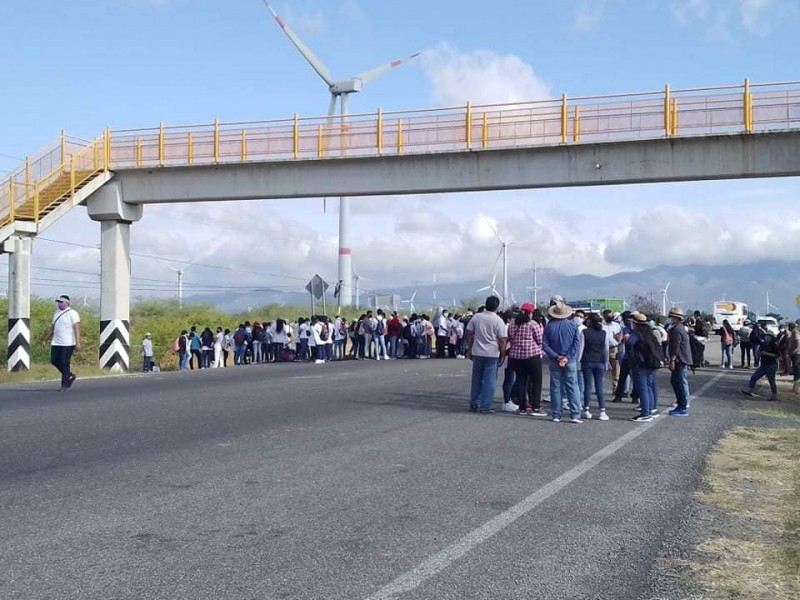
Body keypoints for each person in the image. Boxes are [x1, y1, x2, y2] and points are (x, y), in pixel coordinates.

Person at [465, 296, 508, 414]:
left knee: (476, 379)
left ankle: (474, 402)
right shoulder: (498, 320)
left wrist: (470, 348)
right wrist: (503, 353)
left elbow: (469, 332)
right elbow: (503, 339)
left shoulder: (477, 317)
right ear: (496, 306)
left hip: (478, 351)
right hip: (492, 353)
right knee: (489, 380)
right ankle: (486, 405)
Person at [543, 301, 583, 423]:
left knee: (556, 387)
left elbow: (545, 345)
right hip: (570, 360)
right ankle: (575, 414)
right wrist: (567, 356)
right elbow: (576, 343)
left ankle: (556, 414)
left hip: (554, 360)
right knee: (572, 386)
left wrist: (556, 356)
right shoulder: (573, 325)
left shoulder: (549, 326)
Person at [507, 303, 546, 416]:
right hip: (532, 355)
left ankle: (522, 407)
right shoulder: (532, 324)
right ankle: (536, 407)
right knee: (536, 382)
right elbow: (539, 340)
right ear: (530, 313)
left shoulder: (512, 324)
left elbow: (510, 337)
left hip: (516, 356)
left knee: (521, 381)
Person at [44, 294, 81, 391]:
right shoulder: (56, 313)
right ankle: (69, 375)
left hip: (68, 343)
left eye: (61, 302)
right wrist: (46, 339)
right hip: (56, 342)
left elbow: (76, 328)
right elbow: (53, 328)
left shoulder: (73, 313)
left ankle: (64, 385)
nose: (59, 304)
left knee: (65, 363)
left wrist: (78, 342)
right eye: (58, 302)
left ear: (67, 303)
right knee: (54, 360)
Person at [630, 314, 663, 422]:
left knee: (643, 389)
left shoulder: (636, 334)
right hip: (652, 364)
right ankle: (651, 409)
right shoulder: (650, 333)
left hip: (641, 364)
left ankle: (645, 413)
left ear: (635, 323)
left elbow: (630, 343)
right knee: (649, 387)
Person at [581, 312, 610, 421]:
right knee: (600, 387)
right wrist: (606, 362)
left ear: (589, 321)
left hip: (587, 360)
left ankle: (586, 410)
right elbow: (606, 349)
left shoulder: (584, 332)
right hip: (600, 361)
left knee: (588, 386)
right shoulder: (604, 333)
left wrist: (578, 361)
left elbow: (581, 348)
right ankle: (602, 410)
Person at [740, 332, 781, 401]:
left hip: (771, 365)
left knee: (771, 380)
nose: (766, 337)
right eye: (766, 336)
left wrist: (767, 354)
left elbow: (777, 355)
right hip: (763, 365)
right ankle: (749, 390)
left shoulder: (774, 345)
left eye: (768, 336)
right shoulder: (763, 344)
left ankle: (774, 395)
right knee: (754, 376)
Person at [667, 308, 693, 416]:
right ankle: (680, 404)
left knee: (679, 382)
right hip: (681, 358)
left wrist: (672, 359)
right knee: (675, 381)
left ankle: (682, 406)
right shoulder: (680, 328)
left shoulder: (677, 329)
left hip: (680, 359)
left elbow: (676, 346)